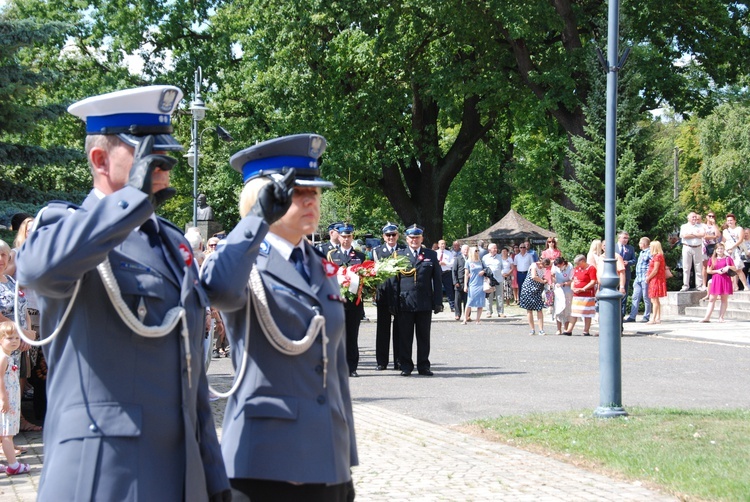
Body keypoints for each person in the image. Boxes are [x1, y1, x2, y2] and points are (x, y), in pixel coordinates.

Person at [15, 86, 229, 501]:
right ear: (99, 159)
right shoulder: (62, 226)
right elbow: (36, 269)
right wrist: (130, 197)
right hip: (103, 475)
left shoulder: (171, 243)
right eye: (150, 155)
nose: (164, 165)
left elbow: (192, 380)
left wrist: (213, 476)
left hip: (176, 474)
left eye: (164, 155)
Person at [201, 133, 357, 500]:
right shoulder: (243, 263)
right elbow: (217, 288)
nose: (310, 201)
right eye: (297, 192)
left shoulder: (322, 266)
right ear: (264, 199)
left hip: (325, 463)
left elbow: (335, 370)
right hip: (264, 464)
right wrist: (256, 221)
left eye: (314, 192)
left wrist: (343, 459)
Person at [393, 224, 442, 376]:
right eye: (411, 237)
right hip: (405, 302)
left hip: (424, 302)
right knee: (405, 336)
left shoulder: (431, 255)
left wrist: (438, 301)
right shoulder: (399, 255)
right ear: (406, 239)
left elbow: (437, 279)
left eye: (417, 237)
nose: (414, 240)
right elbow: (394, 281)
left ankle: (423, 365)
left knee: (423, 336)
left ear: (422, 238)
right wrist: (394, 302)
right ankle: (406, 365)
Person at [327, 223, 366, 377]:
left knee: (352, 335)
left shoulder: (360, 256)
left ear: (352, 237)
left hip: (354, 302)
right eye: (343, 236)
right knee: (338, 335)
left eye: (349, 236)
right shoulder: (332, 255)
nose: (346, 239)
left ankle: (352, 367)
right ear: (339, 237)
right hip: (337, 301)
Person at [373, 222, 404, 370]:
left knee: (400, 328)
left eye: (393, 234)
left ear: (398, 235)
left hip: (399, 294)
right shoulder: (377, 251)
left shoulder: (403, 250)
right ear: (384, 237)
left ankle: (399, 360)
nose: (391, 237)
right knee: (383, 329)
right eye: (388, 235)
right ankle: (382, 361)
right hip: (384, 293)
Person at [0, 322, 30, 475]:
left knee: (2, 434)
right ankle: (13, 465)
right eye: (9, 338)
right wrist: (4, 399)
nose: (14, 341)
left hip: (9, 400)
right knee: (6, 434)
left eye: (17, 338)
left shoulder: (8, 356)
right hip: (5, 402)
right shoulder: (3, 358)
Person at [701, 243, 736, 323]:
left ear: (724, 249)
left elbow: (734, 268)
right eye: (718, 249)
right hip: (716, 279)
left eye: (721, 248)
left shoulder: (728, 258)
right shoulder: (712, 259)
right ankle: (707, 317)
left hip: (725, 279)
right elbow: (708, 270)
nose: (720, 250)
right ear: (715, 250)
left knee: (724, 299)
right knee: (712, 299)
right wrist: (717, 271)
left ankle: (721, 317)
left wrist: (728, 267)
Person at [564, 255, 598, 336]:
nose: (577, 265)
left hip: (587, 295)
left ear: (582, 261)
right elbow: (573, 280)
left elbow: (593, 281)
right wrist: (573, 288)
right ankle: (569, 330)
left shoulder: (591, 268)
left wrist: (583, 289)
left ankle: (586, 331)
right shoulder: (576, 269)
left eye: (578, 263)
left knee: (587, 313)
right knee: (574, 312)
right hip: (577, 295)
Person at [624, 237, 652, 323]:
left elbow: (651, 264)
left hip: (645, 277)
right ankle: (632, 316)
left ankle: (646, 316)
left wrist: (648, 275)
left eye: (640, 243)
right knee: (635, 297)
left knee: (646, 297)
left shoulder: (649, 252)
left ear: (643, 244)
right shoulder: (641, 253)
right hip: (638, 278)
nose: (639, 245)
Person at [519, 258, 549, 335]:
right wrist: (542, 281)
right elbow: (533, 276)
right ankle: (532, 329)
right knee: (529, 310)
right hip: (528, 289)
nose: (544, 267)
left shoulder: (544, 269)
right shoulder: (534, 265)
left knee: (539, 309)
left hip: (537, 290)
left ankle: (541, 330)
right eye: (544, 265)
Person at [679, 212, 706, 291]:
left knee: (698, 267)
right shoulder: (684, 226)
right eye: (693, 217)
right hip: (687, 247)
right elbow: (685, 236)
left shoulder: (700, 226)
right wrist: (696, 234)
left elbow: (703, 234)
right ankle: (686, 285)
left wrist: (692, 234)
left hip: (697, 247)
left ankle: (699, 285)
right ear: (688, 218)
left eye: (695, 217)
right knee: (686, 267)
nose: (694, 219)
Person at [722, 213, 748, 291]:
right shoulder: (725, 231)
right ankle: (735, 285)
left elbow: (740, 240)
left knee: (738, 268)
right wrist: (725, 248)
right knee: (732, 269)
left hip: (737, 250)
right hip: (728, 251)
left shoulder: (739, 229)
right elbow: (723, 241)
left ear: (734, 221)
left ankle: (745, 285)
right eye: (728, 220)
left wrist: (732, 247)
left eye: (731, 220)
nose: (730, 222)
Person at [645, 240, 668, 324]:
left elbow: (655, 270)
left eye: (651, 246)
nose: (649, 247)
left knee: (654, 299)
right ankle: (657, 317)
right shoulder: (658, 256)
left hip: (656, 279)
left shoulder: (657, 256)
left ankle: (653, 318)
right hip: (656, 279)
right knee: (656, 300)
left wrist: (648, 278)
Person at [462, 247, 485, 325]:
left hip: (481, 284)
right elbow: (466, 274)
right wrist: (465, 285)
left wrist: (483, 271)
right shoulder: (468, 262)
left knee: (480, 303)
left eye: (478, 250)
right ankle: (465, 319)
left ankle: (478, 319)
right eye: (476, 250)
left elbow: (486, 269)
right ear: (472, 252)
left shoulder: (480, 261)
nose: (477, 252)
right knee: (469, 302)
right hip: (472, 284)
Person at [551, 256, 573, 335]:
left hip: (567, 289)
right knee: (558, 309)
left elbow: (572, 280)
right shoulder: (555, 266)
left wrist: (564, 284)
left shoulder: (570, 266)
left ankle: (566, 328)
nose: (558, 267)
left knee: (567, 309)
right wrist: (555, 281)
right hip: (558, 290)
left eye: (559, 266)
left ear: (563, 263)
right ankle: (558, 329)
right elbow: (552, 275)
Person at [616, 231, 637, 316]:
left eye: (627, 238)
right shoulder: (613, 247)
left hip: (626, 273)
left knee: (624, 293)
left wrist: (628, 262)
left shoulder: (630, 248)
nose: (626, 240)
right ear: (619, 238)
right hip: (615, 273)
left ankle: (622, 314)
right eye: (624, 238)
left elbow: (634, 260)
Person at [481, 243, 503, 318]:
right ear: (489, 250)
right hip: (489, 280)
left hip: (498, 279)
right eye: (494, 248)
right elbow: (483, 268)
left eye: (496, 248)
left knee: (499, 296)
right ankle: (488, 312)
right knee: (489, 296)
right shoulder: (484, 258)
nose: (495, 249)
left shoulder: (500, 257)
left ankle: (500, 312)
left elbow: (502, 267)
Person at [702, 212, 722, 288]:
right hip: (705, 246)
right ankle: (704, 284)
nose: (711, 217)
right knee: (705, 266)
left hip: (713, 246)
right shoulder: (703, 226)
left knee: (714, 264)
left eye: (713, 216)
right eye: (709, 216)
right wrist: (714, 236)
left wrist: (714, 224)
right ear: (706, 217)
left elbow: (718, 235)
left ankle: (715, 282)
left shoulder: (715, 226)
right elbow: (705, 236)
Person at [437, 239, 456, 313]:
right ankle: (439, 306)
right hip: (438, 273)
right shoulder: (435, 253)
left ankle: (452, 306)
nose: (443, 245)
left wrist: (445, 263)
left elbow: (452, 263)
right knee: (438, 290)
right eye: (441, 244)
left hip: (447, 273)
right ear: (438, 245)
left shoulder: (449, 253)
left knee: (449, 290)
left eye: (444, 244)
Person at [452, 244, 469, 321]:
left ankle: (467, 315)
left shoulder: (470, 258)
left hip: (468, 282)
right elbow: (454, 271)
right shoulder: (458, 259)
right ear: (461, 250)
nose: (466, 251)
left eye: (467, 250)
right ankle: (457, 314)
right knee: (457, 300)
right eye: (464, 250)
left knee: (467, 300)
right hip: (459, 282)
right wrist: (455, 281)